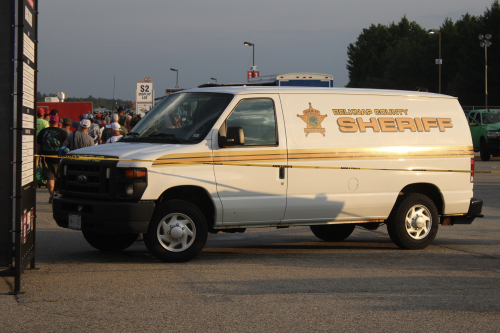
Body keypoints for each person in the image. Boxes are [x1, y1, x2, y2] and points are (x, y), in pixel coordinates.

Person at [36, 115, 68, 203]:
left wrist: (37, 155)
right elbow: (66, 145)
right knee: (60, 176)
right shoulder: (62, 132)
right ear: (58, 123)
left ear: (50, 122)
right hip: (59, 158)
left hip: (46, 158)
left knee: (50, 177)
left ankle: (51, 196)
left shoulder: (43, 131)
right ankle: (60, 195)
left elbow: (38, 146)